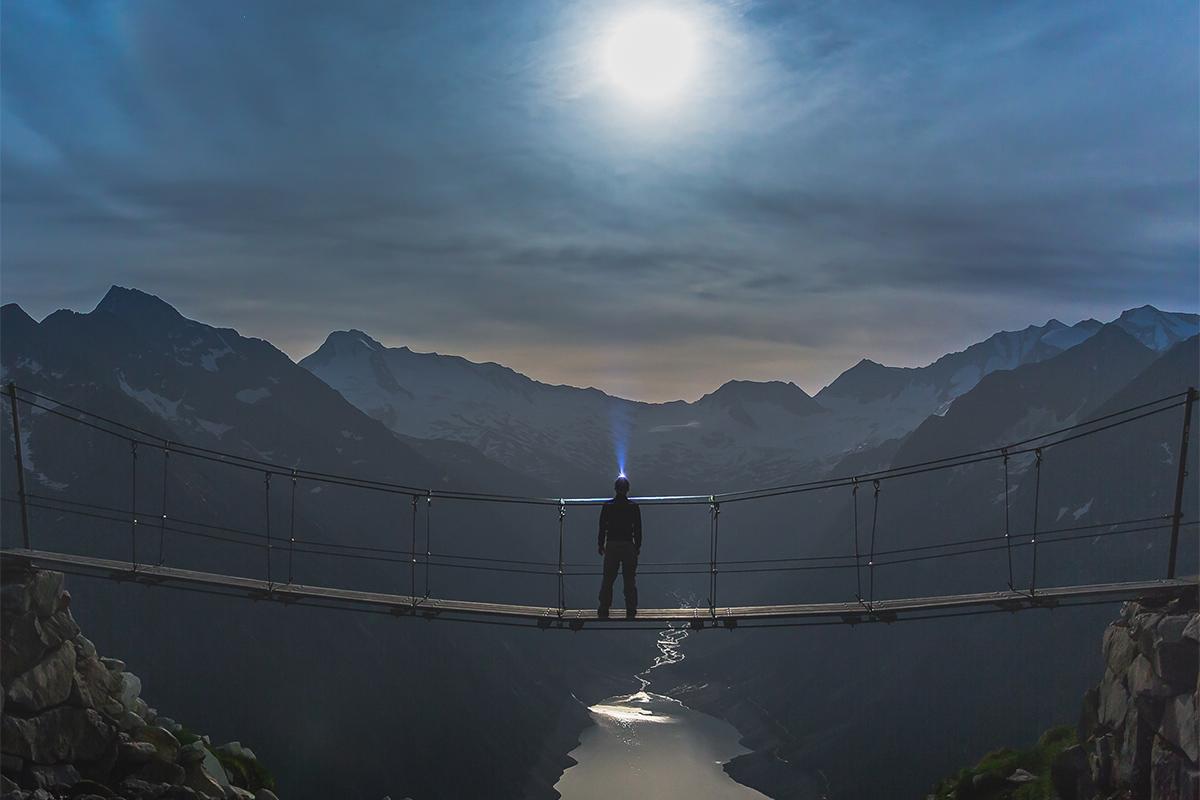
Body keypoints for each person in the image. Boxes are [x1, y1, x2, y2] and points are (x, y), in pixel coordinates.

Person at [597, 475, 642, 619]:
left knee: (608, 579)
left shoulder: (607, 506)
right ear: (628, 489)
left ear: (615, 489)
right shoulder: (634, 507)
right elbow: (638, 529)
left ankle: (604, 608)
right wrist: (637, 546)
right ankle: (631, 609)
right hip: (628, 545)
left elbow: (602, 527)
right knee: (629, 579)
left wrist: (600, 544)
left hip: (612, 545)